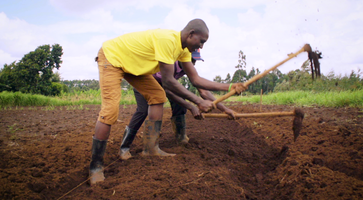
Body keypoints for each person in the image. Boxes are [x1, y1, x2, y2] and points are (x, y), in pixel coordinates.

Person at [90, 18, 246, 185]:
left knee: (158, 96)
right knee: (110, 111)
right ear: (191, 34)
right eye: (201, 41)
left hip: (133, 66)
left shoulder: (184, 51)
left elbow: (197, 80)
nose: (201, 47)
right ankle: (95, 167)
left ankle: (151, 149)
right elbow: (168, 82)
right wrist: (195, 103)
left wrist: (229, 87)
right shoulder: (167, 40)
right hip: (112, 57)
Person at [119, 49, 238, 160]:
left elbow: (204, 91)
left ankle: (181, 138)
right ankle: (125, 147)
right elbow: (167, 90)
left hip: (163, 86)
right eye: (191, 60)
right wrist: (191, 106)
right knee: (143, 111)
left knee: (180, 103)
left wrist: (225, 109)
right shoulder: (168, 63)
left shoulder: (186, 68)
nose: (193, 63)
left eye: (194, 60)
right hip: (143, 82)